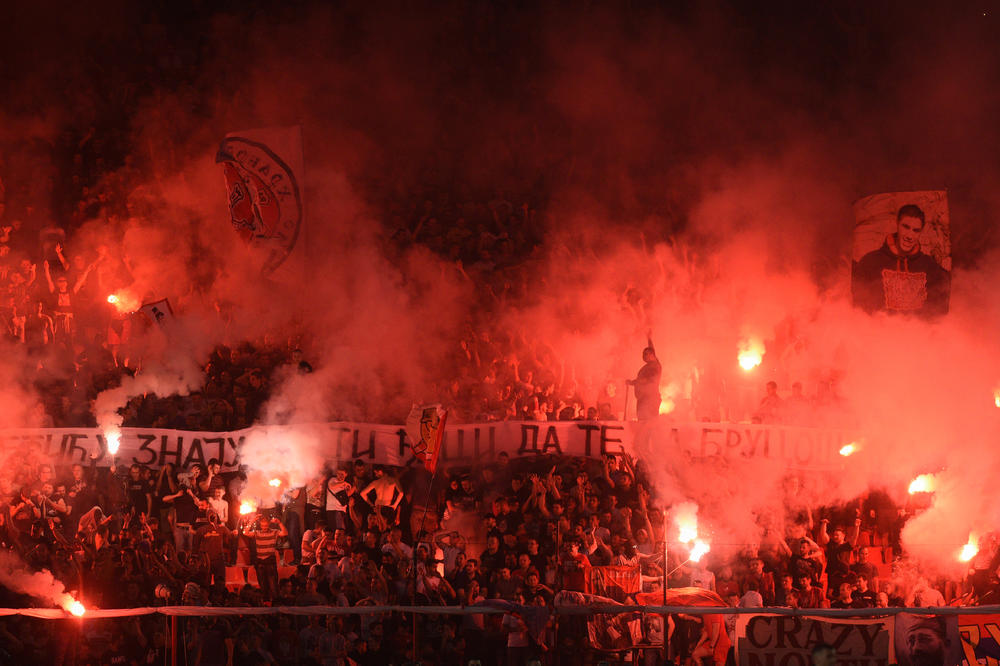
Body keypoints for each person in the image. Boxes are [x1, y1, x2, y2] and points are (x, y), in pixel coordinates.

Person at [852, 204, 950, 317]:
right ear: (897, 224)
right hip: (878, 332)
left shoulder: (930, 267)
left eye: (915, 230)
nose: (909, 235)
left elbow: (940, 309)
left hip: (918, 332)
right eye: (906, 227)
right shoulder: (870, 262)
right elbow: (858, 306)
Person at [626, 331, 661, 420]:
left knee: (647, 424)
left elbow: (649, 380)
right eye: (643, 354)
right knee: (642, 423)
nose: (643, 356)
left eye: (645, 354)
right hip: (643, 399)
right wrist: (648, 338)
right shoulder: (649, 365)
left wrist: (633, 382)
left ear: (652, 355)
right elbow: (651, 349)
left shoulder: (655, 366)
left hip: (649, 400)